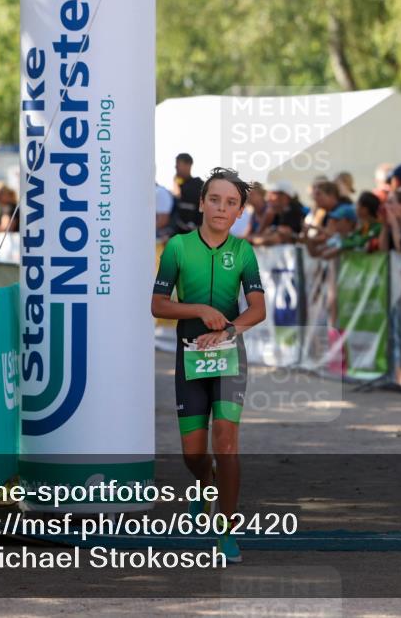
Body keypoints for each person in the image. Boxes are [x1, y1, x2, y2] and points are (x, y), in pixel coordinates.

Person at [151, 167, 266, 564]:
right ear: (201, 203)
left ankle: (228, 532)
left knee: (227, 442)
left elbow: (258, 309)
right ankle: (205, 480)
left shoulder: (244, 251)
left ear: (240, 212)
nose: (221, 208)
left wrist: (229, 329)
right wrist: (200, 309)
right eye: (214, 199)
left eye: (231, 203)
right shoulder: (178, 247)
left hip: (230, 354)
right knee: (193, 453)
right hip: (190, 355)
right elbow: (158, 305)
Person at [172, 153, 203, 233]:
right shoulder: (181, 185)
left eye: (178, 164)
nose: (176, 167)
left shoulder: (198, 186)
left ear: (188, 165)